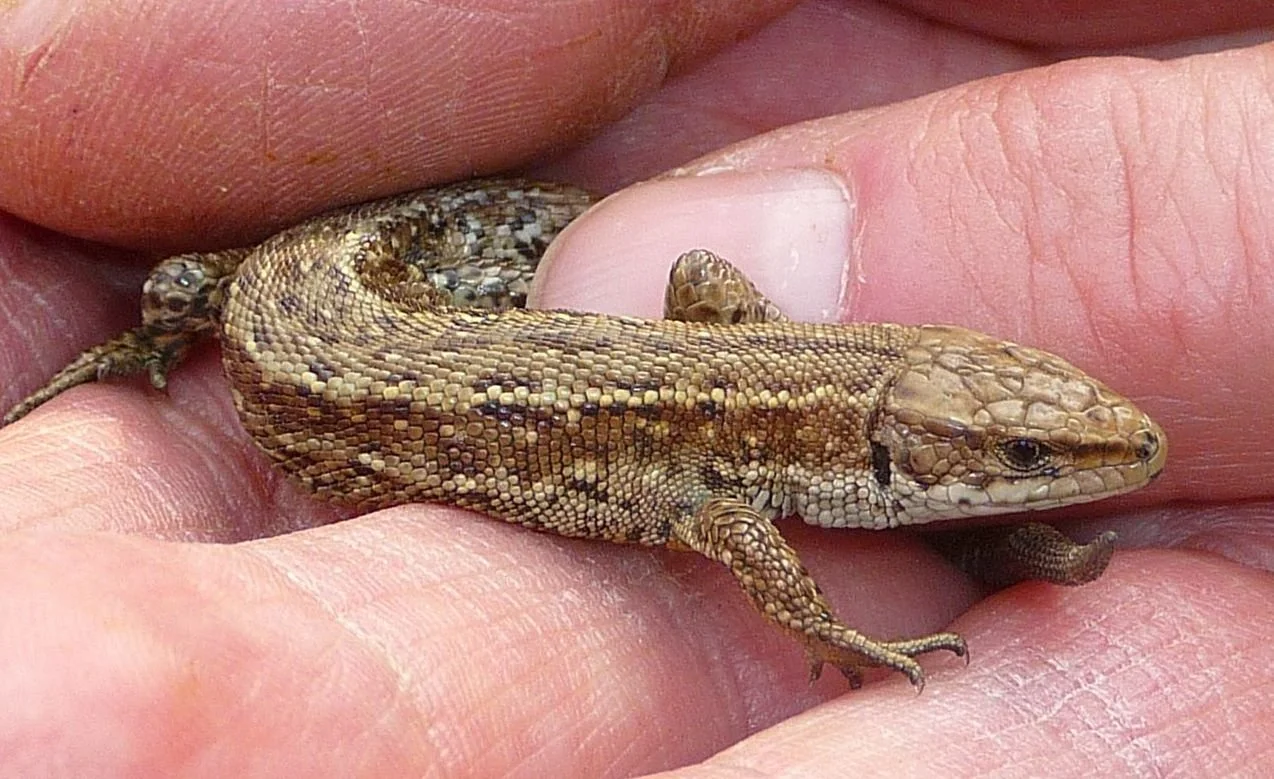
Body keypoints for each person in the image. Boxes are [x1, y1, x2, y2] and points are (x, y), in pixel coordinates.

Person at [0, 2, 1267, 774]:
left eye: (1024, 450)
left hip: (441, 285)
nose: (1099, 452)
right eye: (1018, 453)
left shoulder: (765, 440)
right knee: (181, 287)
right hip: (336, 322)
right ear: (892, 444)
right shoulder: (747, 474)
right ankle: (144, 346)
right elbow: (733, 518)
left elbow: (704, 287)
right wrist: (831, 631)